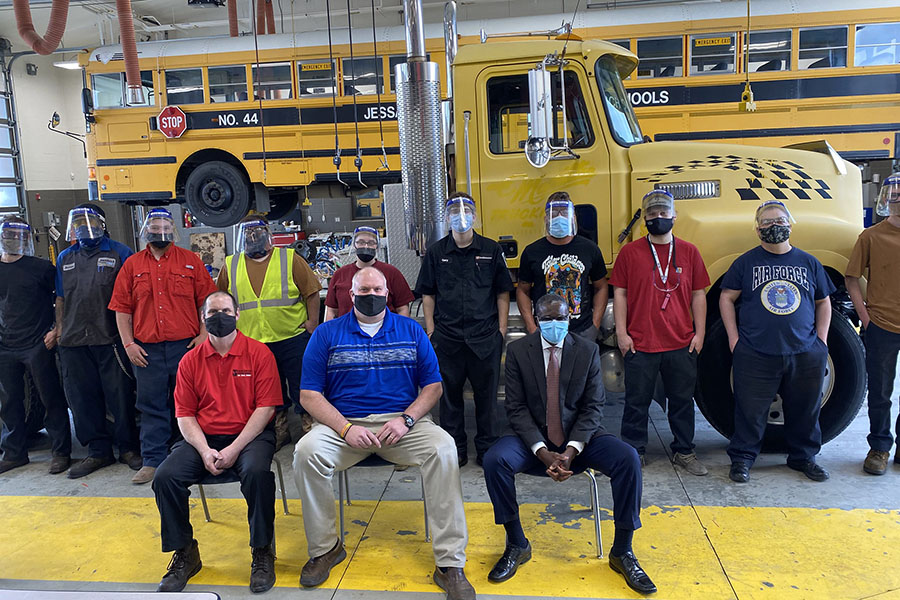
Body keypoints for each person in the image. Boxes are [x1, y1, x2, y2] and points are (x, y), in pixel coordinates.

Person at [293, 266, 475, 600]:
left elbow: (433, 387)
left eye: (378, 290)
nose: (371, 296)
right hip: (344, 423)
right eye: (363, 291)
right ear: (350, 295)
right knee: (307, 452)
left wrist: (406, 420)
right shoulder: (326, 333)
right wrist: (346, 428)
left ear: (388, 294)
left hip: (401, 424)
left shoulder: (411, 330)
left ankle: (450, 563)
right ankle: (326, 549)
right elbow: (309, 396)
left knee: (444, 448)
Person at [482, 294, 654, 595]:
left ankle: (623, 550)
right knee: (495, 460)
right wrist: (543, 451)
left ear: (570, 317)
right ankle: (517, 543)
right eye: (547, 319)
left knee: (628, 458)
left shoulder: (587, 351)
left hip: (579, 439)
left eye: (560, 318)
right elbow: (516, 408)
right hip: (533, 439)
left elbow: (593, 406)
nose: (554, 324)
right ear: (535, 319)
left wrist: (571, 451)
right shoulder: (519, 351)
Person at [152, 291, 281, 593]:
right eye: (212, 312)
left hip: (251, 435)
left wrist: (234, 448)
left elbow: (266, 409)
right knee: (165, 477)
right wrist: (204, 450)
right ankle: (185, 551)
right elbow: (184, 415)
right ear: (203, 318)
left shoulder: (259, 353)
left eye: (225, 310)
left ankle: (262, 550)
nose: (218, 317)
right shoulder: (190, 361)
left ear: (237, 314)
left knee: (257, 473)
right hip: (203, 438)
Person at [720, 200, 835, 483]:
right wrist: (734, 339)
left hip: (805, 352)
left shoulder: (809, 262)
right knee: (749, 411)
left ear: (790, 224)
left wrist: (821, 341)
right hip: (756, 352)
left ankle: (804, 458)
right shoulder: (745, 262)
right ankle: (743, 459)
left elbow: (824, 301)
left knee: (806, 409)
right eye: (768, 222)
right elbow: (726, 297)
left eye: (780, 220)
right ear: (758, 230)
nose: (775, 226)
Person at [109, 208, 217, 485]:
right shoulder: (132, 265)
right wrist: (129, 344)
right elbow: (122, 309)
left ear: (172, 231)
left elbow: (207, 302)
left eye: (164, 228)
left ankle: (194, 457)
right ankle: (153, 460)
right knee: (151, 406)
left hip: (186, 347)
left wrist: (204, 335)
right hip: (147, 351)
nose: (160, 233)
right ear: (148, 231)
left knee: (192, 404)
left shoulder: (190, 261)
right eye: (154, 228)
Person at [610, 190, 710, 473]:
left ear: (674, 216)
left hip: (680, 342)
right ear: (644, 220)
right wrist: (622, 334)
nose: (658, 218)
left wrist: (699, 333)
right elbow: (620, 293)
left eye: (664, 213)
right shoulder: (630, 252)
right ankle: (634, 452)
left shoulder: (689, 251)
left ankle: (684, 452)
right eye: (652, 214)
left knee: (681, 401)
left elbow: (698, 294)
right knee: (636, 401)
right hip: (641, 342)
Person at [416, 192, 514, 466]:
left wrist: (501, 331)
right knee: (449, 400)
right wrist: (432, 330)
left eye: (467, 210)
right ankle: (455, 450)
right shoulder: (436, 252)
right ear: (447, 218)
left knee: (487, 400)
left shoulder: (490, 250)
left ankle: (487, 451)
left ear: (474, 215)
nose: (462, 216)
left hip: (485, 338)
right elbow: (428, 294)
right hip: (448, 340)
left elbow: (502, 292)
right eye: (455, 212)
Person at [217, 216, 321, 447]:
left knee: (301, 384)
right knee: (267, 390)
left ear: (268, 235)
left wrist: (312, 322)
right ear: (241, 237)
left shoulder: (289, 259)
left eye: (258, 232)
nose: (253, 237)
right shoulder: (231, 264)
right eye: (248, 233)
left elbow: (312, 292)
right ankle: (279, 430)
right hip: (253, 341)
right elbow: (221, 299)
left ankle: (309, 430)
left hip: (292, 337)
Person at [55, 204, 141, 479]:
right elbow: (60, 297)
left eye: (87, 222)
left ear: (102, 224)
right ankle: (98, 451)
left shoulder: (120, 253)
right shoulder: (65, 257)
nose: (82, 227)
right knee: (82, 399)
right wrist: (59, 328)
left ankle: (128, 448)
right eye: (77, 222)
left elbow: (132, 297)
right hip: (74, 339)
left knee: (119, 396)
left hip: (110, 339)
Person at [0, 217, 72, 475]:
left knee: (50, 397)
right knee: (9, 402)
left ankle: (61, 452)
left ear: (26, 239)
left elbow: (61, 299)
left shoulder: (42, 268)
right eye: (7, 234)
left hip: (38, 342)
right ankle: (14, 453)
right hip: (6, 345)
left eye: (16, 235)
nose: (11, 240)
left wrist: (56, 330)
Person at [845, 172, 900, 475]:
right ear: (886, 200)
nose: (899, 199)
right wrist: (865, 317)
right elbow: (851, 277)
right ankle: (879, 447)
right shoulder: (871, 236)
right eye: (895, 194)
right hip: (881, 324)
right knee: (880, 392)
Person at [516, 192, 608, 340]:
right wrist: (531, 327)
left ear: (573, 217)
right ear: (546, 219)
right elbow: (523, 290)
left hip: (582, 331)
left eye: (564, 212)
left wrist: (595, 325)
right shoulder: (532, 252)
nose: (559, 217)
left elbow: (601, 286)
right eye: (554, 213)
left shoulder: (590, 249)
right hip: (544, 331)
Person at [323, 226, 414, 320]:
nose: (366, 246)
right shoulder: (340, 275)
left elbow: (403, 308)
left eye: (371, 243)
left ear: (377, 246)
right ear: (354, 245)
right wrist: (329, 333)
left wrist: (402, 332)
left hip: (385, 333)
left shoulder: (392, 273)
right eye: (361, 242)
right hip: (347, 332)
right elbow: (331, 310)